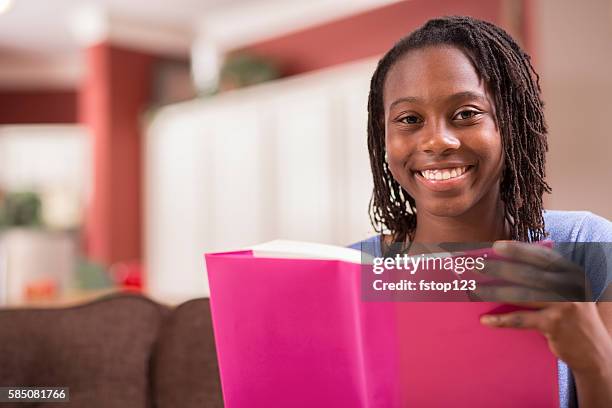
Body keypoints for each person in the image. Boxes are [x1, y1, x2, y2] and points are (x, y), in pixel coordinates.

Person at [353, 16, 612, 407]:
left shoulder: (586, 247)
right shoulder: (352, 272)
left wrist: (594, 361)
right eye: (409, 120)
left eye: (466, 113)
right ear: (383, 136)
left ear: (509, 122)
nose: (437, 140)